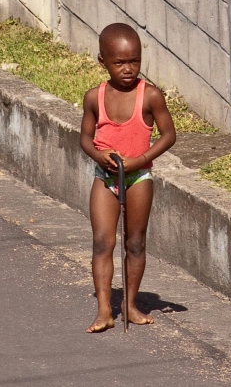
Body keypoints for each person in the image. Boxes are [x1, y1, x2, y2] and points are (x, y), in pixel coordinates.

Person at [80, 23, 176, 333]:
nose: (128, 69)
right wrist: (99, 156)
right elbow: (84, 138)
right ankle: (105, 310)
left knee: (134, 243)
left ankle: (131, 305)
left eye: (134, 61)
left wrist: (140, 160)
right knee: (101, 243)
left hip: (139, 178)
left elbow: (169, 135)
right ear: (102, 62)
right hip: (105, 178)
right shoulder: (95, 97)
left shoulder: (149, 96)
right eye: (119, 63)